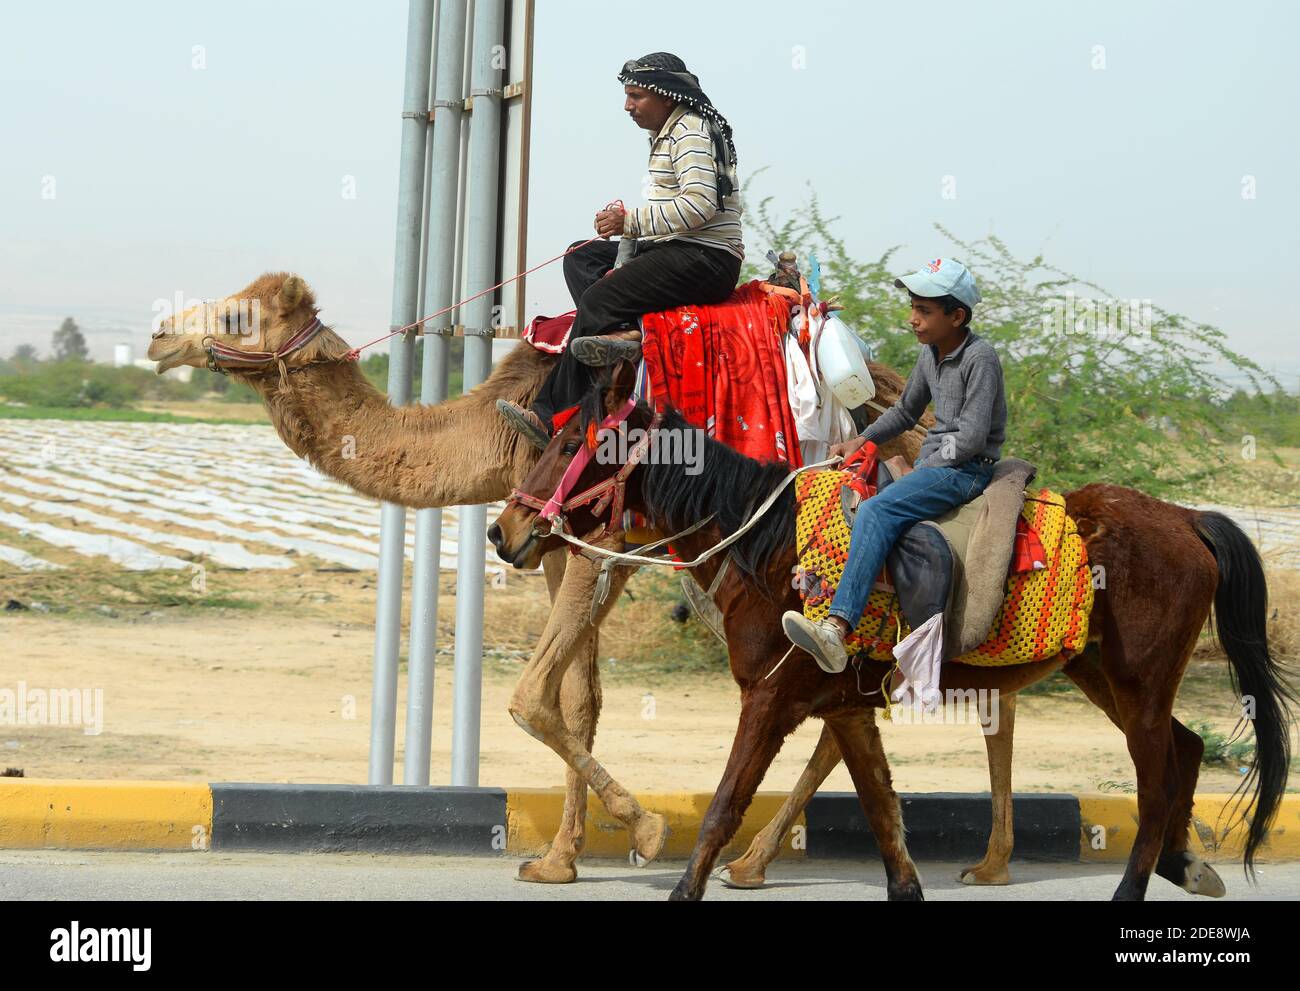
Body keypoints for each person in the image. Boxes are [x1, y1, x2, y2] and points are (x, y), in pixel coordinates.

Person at [498, 52, 744, 449]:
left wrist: (629, 223)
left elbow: (700, 206)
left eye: (635, 96)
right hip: (680, 249)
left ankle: (548, 416)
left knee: (596, 300)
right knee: (580, 255)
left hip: (704, 258)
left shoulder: (691, 133)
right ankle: (623, 331)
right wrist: (628, 223)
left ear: (665, 96)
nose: (627, 106)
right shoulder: (672, 130)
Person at [782, 258, 1007, 673]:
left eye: (924, 311)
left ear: (956, 316)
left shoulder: (981, 359)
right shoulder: (931, 355)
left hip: (965, 471)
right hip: (935, 466)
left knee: (877, 509)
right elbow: (905, 412)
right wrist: (860, 440)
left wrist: (922, 470)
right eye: (913, 308)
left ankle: (837, 628)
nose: (913, 320)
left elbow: (972, 438)